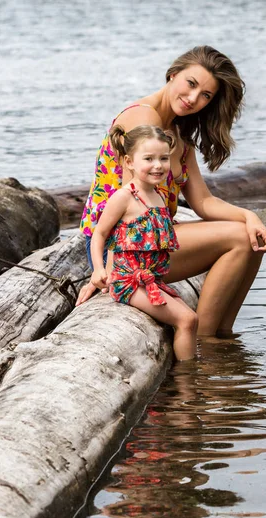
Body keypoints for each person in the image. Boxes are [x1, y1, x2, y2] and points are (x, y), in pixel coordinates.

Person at [77, 45, 266, 337]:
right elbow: (126, 198)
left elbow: (203, 201)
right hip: (127, 247)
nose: (194, 98)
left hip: (155, 238)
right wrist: (106, 271)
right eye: (191, 84)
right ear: (172, 75)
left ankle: (222, 334)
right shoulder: (143, 120)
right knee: (239, 238)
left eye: (206, 95)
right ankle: (205, 343)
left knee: (251, 236)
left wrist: (249, 216)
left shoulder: (178, 135)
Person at [91, 124, 198, 361]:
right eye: (148, 158)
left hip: (152, 279)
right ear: (129, 162)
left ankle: (187, 369)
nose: (158, 165)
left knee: (191, 317)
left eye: (163, 158)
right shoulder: (124, 197)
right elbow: (100, 234)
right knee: (187, 319)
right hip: (127, 281)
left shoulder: (158, 195)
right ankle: (188, 382)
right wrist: (98, 269)